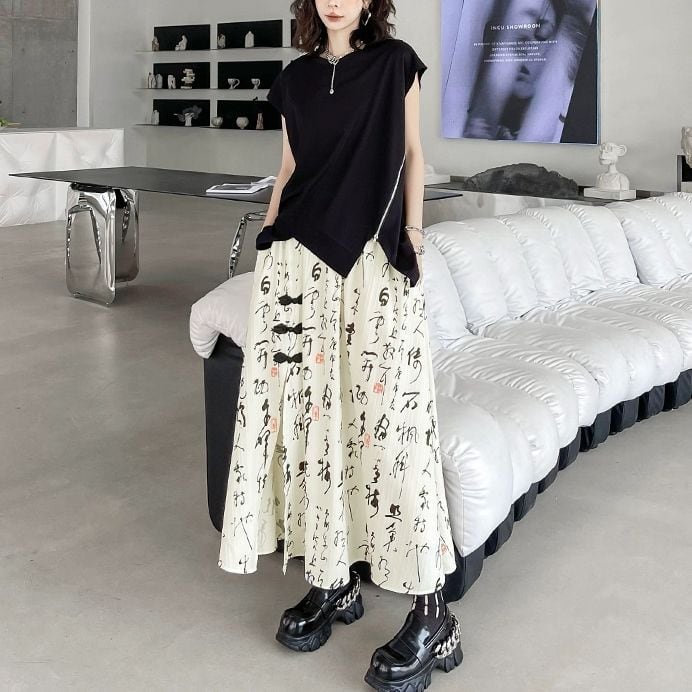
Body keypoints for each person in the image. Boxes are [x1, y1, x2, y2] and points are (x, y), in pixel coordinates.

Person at [217, 1, 462, 689]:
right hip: (298, 264)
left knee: (394, 429)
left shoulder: (394, 64)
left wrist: (413, 241)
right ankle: (332, 577)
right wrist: (265, 254)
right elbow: (289, 169)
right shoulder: (294, 79)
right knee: (311, 425)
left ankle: (433, 612)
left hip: (375, 263)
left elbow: (412, 155)